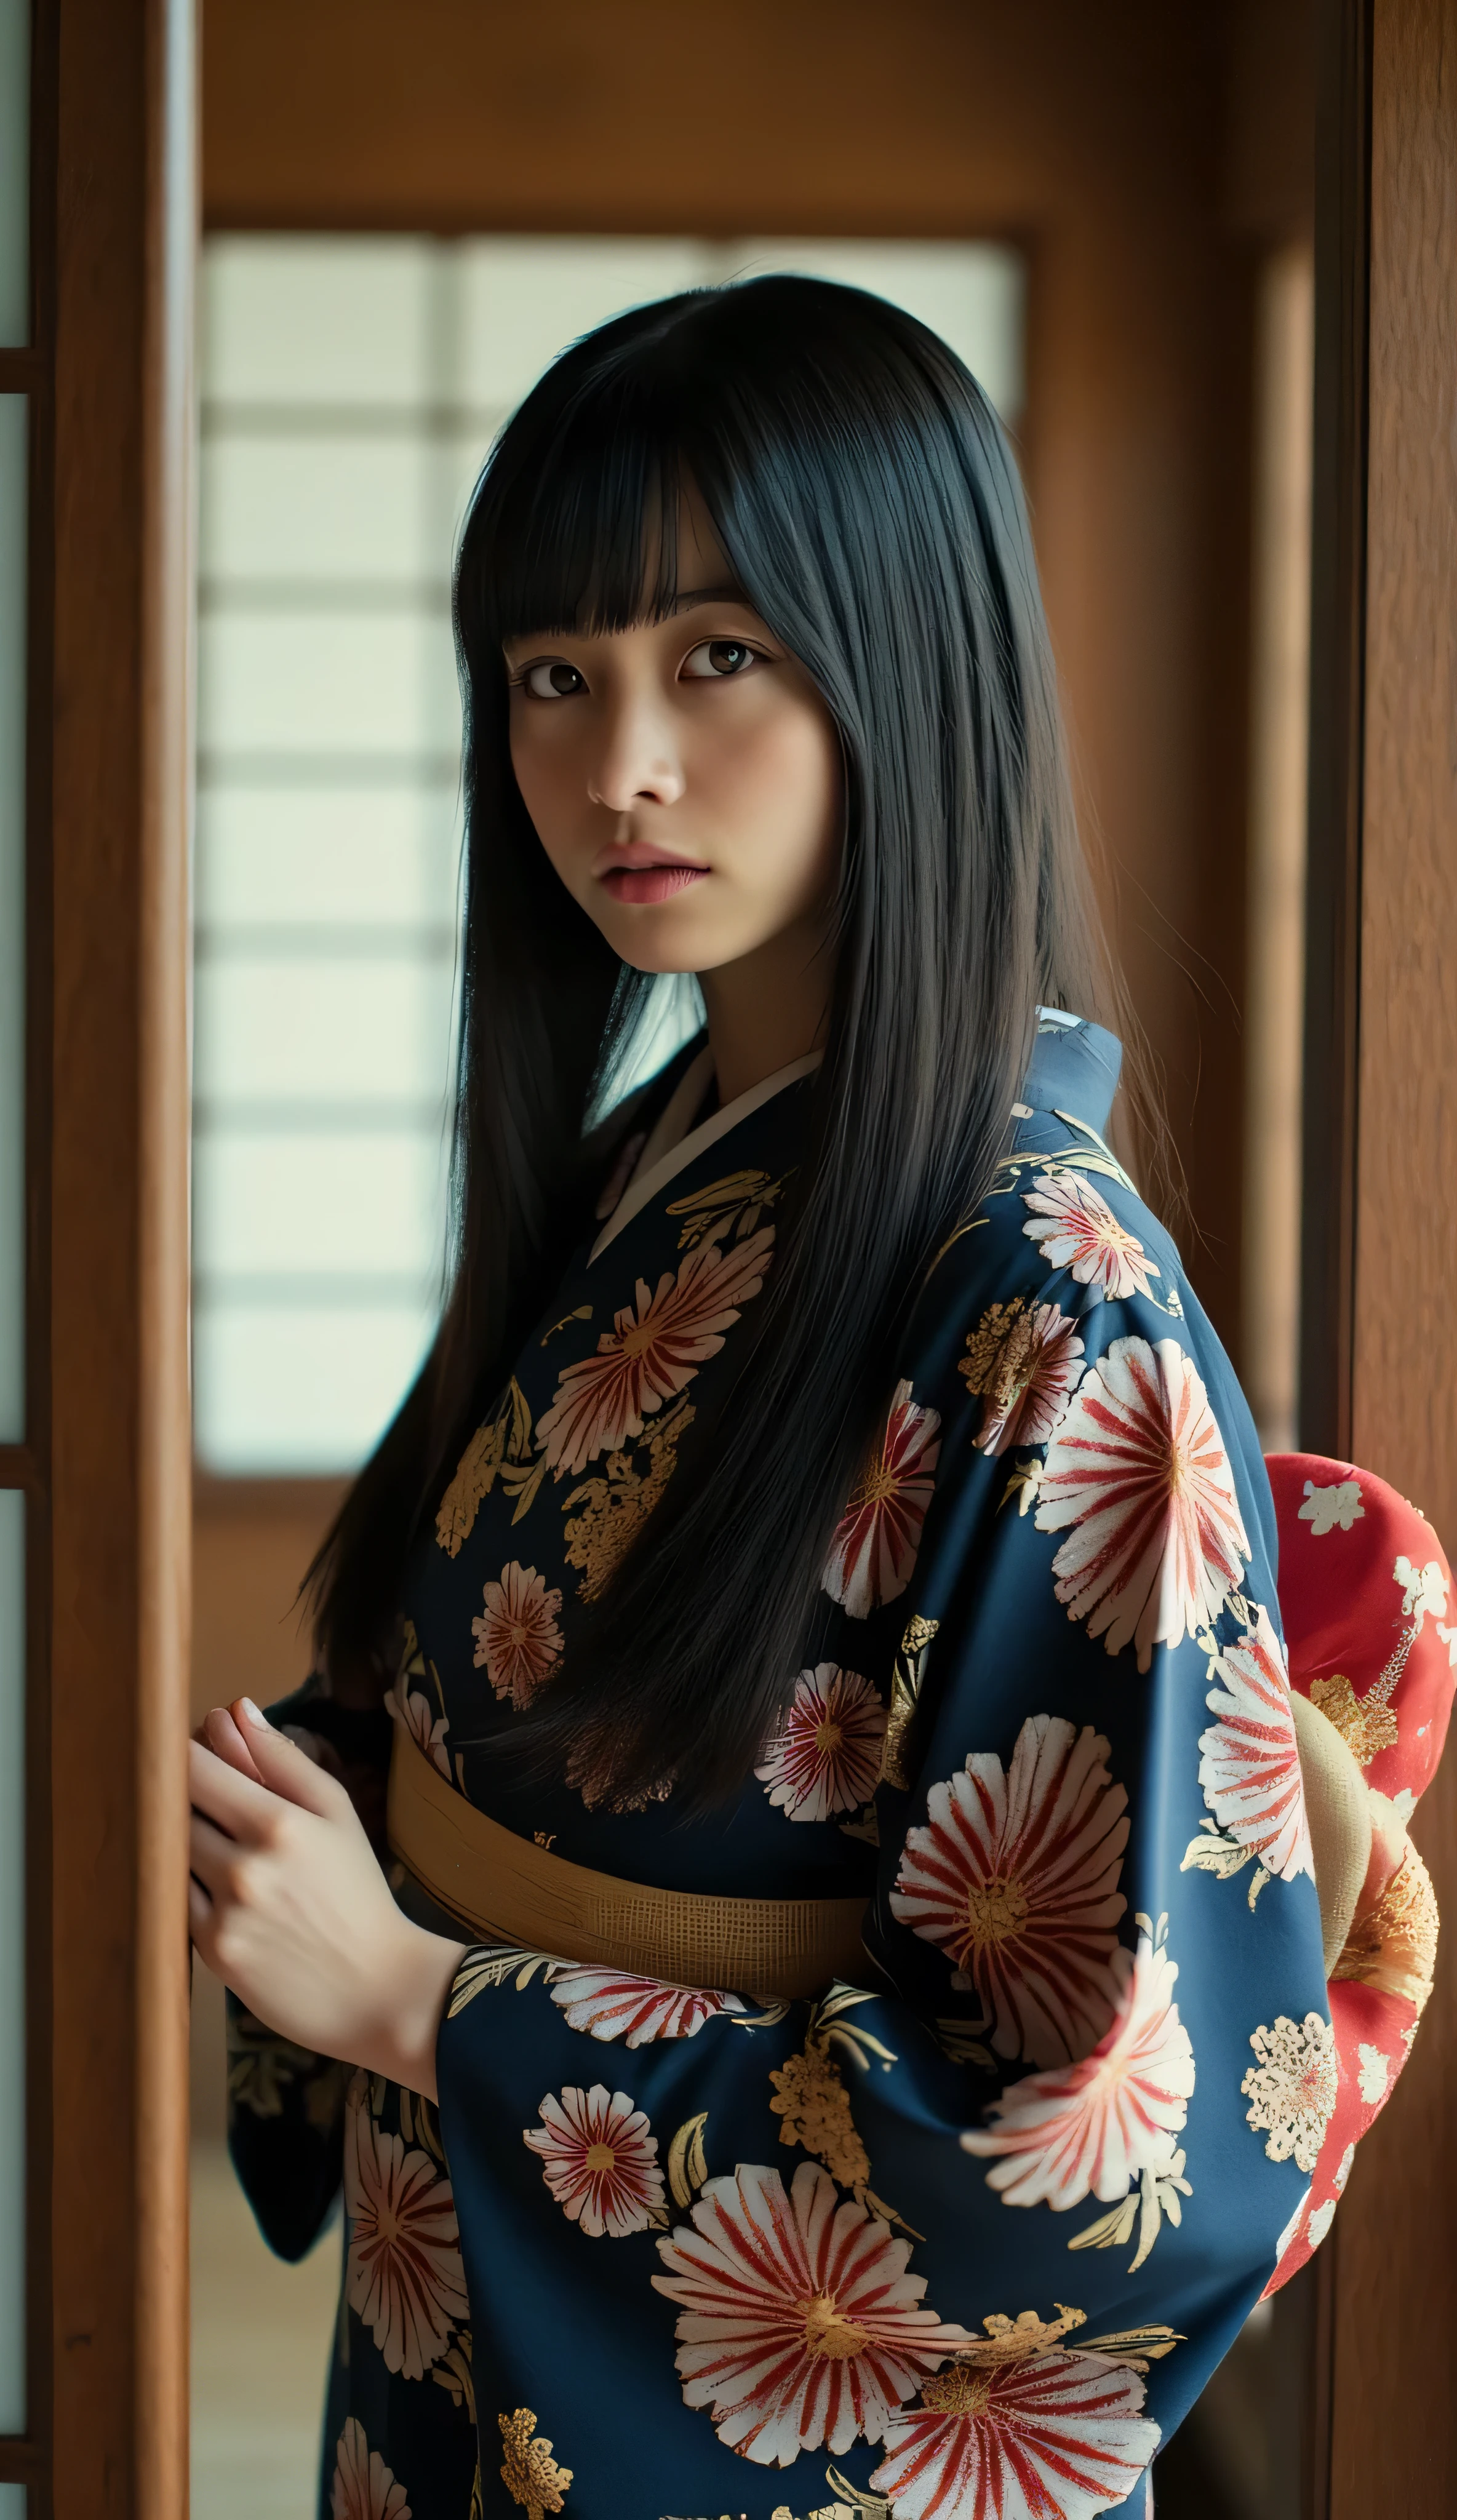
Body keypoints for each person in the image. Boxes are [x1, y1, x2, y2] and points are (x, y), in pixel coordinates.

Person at [189, 276, 1331, 2520]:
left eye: (719, 655)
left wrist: (432, 2007)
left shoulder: (1047, 1301)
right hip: (472, 2317)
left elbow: (1105, 2149)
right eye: (550, 676)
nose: (615, 765)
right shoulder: (660, 1157)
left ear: (911, 658)